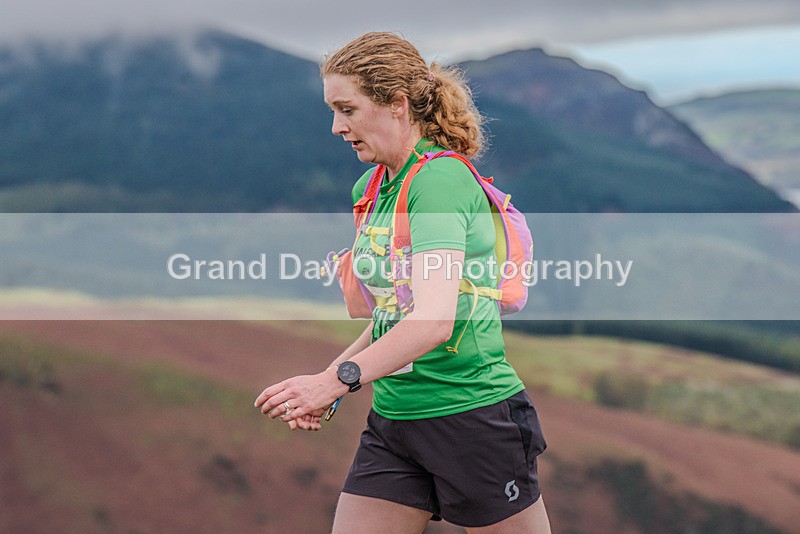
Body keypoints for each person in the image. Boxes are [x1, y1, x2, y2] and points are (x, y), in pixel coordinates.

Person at [254, 31, 551, 533]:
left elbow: (432, 322)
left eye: (347, 109)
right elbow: (394, 315)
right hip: (394, 420)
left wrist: (333, 381)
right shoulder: (374, 186)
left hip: (471, 417)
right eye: (333, 111)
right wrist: (330, 382)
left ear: (397, 103)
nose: (336, 127)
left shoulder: (439, 182)